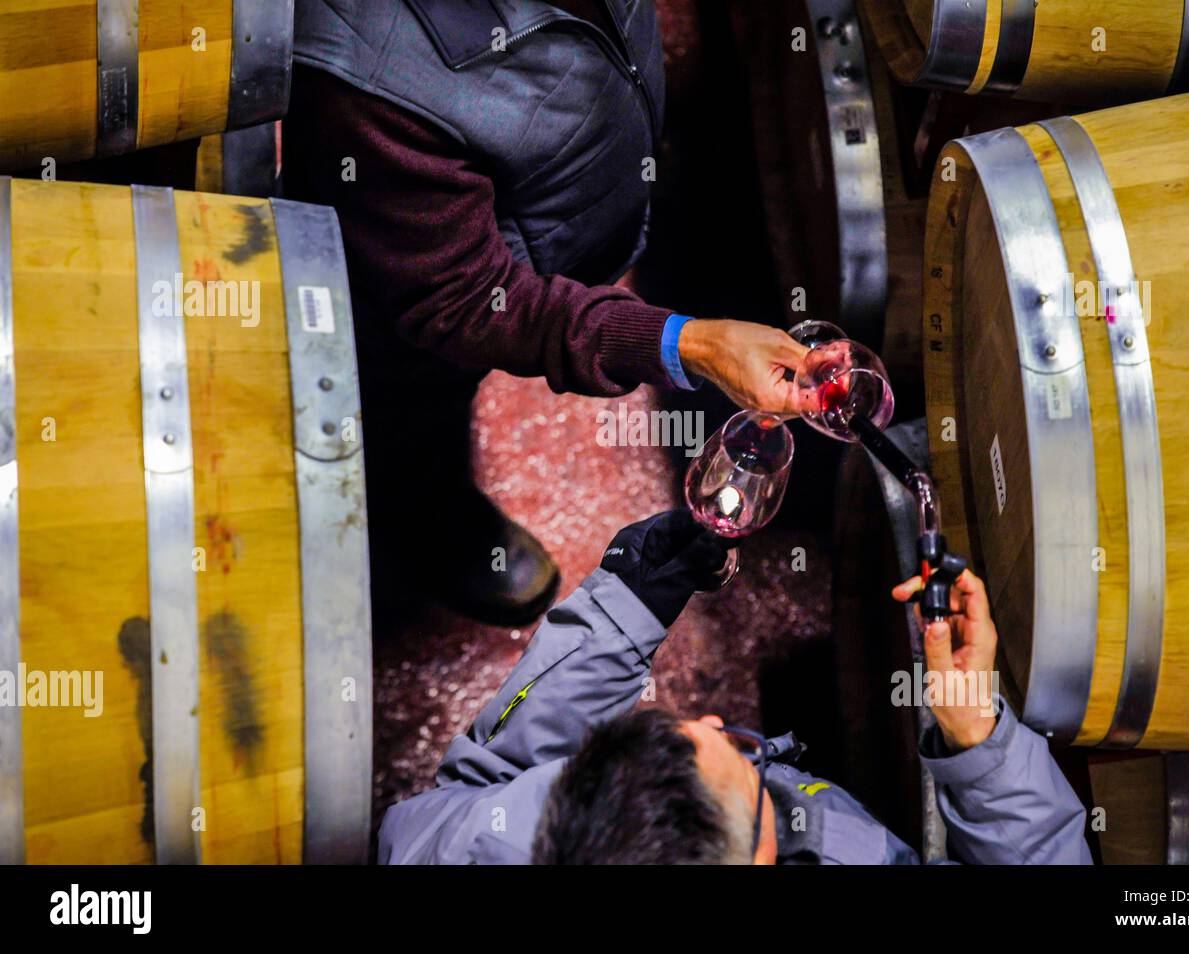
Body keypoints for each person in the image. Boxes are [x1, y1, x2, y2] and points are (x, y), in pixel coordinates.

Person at [283, 0, 809, 624]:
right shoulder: (373, 81)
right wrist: (688, 344)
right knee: (405, 406)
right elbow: (465, 299)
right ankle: (425, 524)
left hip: (545, 228)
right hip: (403, 303)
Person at [377, 509, 1093, 864]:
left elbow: (486, 778)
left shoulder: (476, 842)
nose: (721, 725)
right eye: (753, 788)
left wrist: (628, 603)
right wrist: (990, 758)